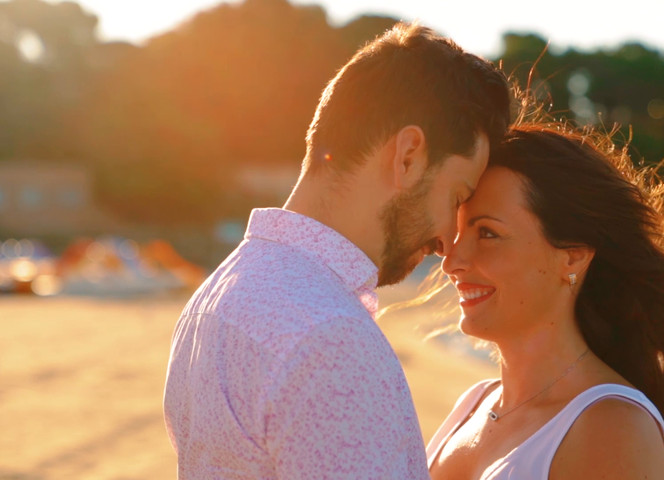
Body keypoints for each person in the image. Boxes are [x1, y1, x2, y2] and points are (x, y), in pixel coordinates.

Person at [163, 23, 511, 479]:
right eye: (457, 197)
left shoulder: (215, 298)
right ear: (408, 156)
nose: (449, 238)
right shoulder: (330, 339)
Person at [427, 124, 664, 480]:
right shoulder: (473, 405)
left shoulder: (613, 427)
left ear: (573, 256)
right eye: (456, 234)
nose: (452, 260)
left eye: (487, 233)